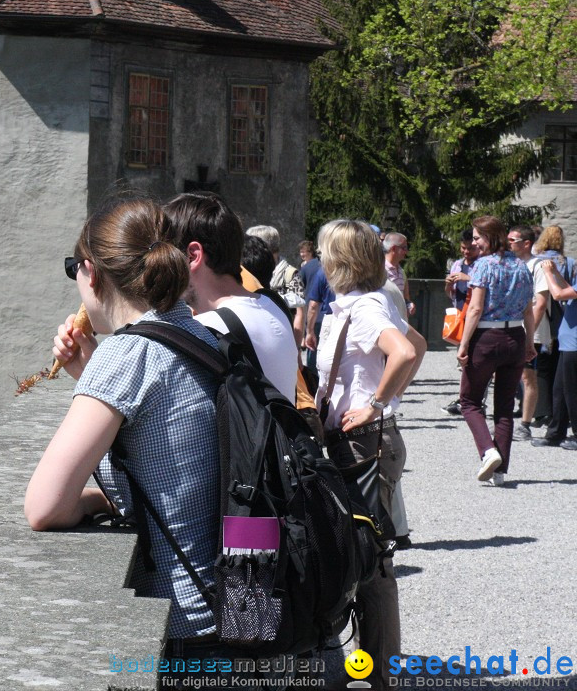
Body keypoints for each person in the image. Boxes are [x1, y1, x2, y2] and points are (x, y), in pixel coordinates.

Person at [25, 195, 240, 683]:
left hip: (185, 628)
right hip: (239, 606)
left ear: (91, 272)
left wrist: (96, 503)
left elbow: (43, 506)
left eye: (73, 270)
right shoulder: (202, 334)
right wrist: (89, 372)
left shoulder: (124, 355)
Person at [313, 220, 426, 689]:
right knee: (367, 555)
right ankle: (377, 668)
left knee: (371, 561)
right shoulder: (367, 303)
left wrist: (376, 404)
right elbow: (417, 346)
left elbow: (403, 351)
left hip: (364, 445)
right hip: (366, 441)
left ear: (337, 258)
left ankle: (382, 673)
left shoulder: (364, 308)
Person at [165, 192, 298, 402]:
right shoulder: (273, 304)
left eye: (167, 256)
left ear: (193, 256)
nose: (162, 267)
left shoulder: (204, 330)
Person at [456, 216, 536, 487]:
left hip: (486, 337)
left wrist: (464, 343)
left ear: (489, 238)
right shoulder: (521, 267)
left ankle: (488, 451)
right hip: (515, 336)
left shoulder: (483, 265)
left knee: (469, 401)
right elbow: (528, 310)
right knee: (504, 407)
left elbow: (476, 308)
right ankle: (500, 473)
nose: (474, 242)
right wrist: (529, 343)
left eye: (478, 238)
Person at [533, 250, 577, 449]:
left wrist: (548, 274)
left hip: (575, 346)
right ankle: (555, 433)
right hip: (568, 344)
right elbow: (568, 290)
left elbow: (558, 295)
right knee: (559, 390)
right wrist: (557, 274)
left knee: (572, 391)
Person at [528, 226, 566, 435]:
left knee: (540, 368)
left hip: (543, 319)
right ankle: (558, 411)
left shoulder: (539, 262)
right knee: (557, 369)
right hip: (562, 322)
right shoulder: (567, 262)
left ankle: (542, 411)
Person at [442, 230, 479, 416]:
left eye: (470, 248)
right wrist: (448, 284)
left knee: (472, 360)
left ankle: (471, 400)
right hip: (460, 315)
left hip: (476, 316)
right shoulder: (457, 264)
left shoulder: (482, 265)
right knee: (463, 359)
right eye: (463, 248)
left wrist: (469, 279)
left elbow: (487, 287)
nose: (466, 252)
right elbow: (451, 294)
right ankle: (465, 398)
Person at [508, 224, 540, 441]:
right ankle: (506, 422)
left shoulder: (537, 265)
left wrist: (529, 336)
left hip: (531, 330)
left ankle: (525, 425)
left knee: (528, 377)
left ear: (526, 243)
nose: (508, 243)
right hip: (512, 327)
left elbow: (540, 302)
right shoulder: (513, 264)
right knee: (509, 376)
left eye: (513, 240)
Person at [383, 232, 415, 317]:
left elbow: (406, 297)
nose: (406, 251)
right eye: (404, 248)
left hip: (401, 323)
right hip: (387, 322)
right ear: (393, 248)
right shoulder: (380, 270)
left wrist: (409, 305)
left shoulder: (401, 271)